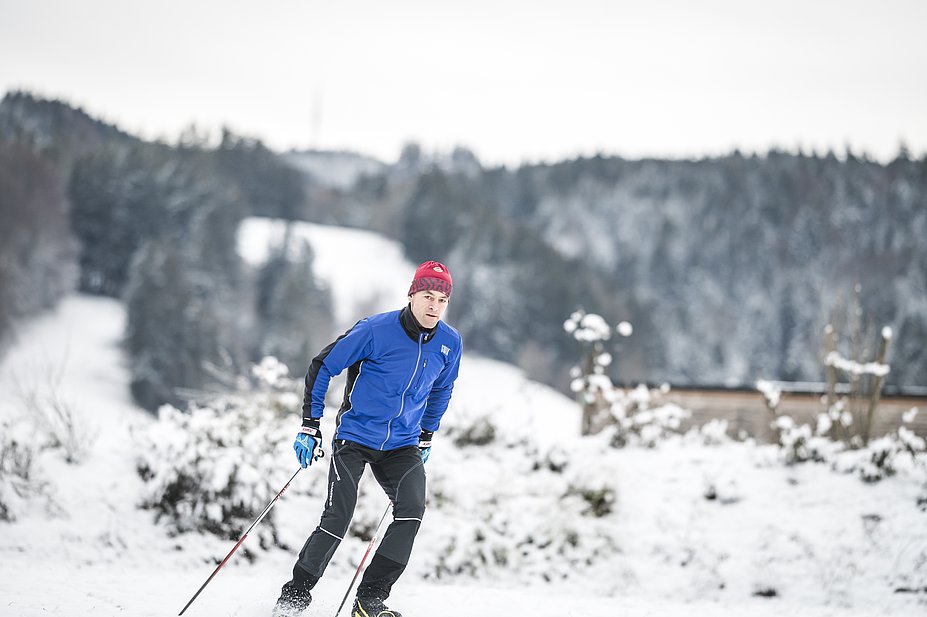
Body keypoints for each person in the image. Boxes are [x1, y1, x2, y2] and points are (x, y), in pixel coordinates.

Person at [273, 261, 462, 617]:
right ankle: (295, 594)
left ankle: (370, 599)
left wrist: (426, 434)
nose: (433, 305)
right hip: (355, 438)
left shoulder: (450, 342)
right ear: (411, 295)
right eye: (427, 295)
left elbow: (442, 388)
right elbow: (322, 365)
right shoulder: (376, 330)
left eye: (441, 299)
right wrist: (310, 425)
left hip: (402, 445)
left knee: (411, 512)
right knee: (338, 517)